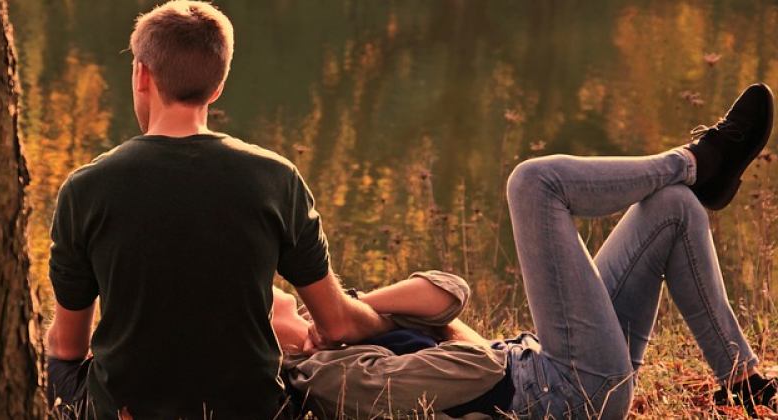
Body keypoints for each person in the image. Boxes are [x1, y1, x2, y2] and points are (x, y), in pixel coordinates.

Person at [278, 84, 778, 420]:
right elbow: (470, 373)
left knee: (673, 207)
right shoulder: (325, 377)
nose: (282, 295)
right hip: (564, 392)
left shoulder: (340, 328)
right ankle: (696, 162)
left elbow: (449, 293)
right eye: (270, 307)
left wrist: (353, 313)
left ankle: (740, 378)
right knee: (533, 183)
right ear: (275, 343)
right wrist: (353, 333)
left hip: (554, 365)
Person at [44, 2, 393, 419]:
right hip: (254, 410)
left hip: (125, 411)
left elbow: (69, 347)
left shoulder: (86, 188)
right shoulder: (276, 178)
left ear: (141, 75)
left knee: (55, 361)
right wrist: (388, 322)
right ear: (217, 87)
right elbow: (337, 326)